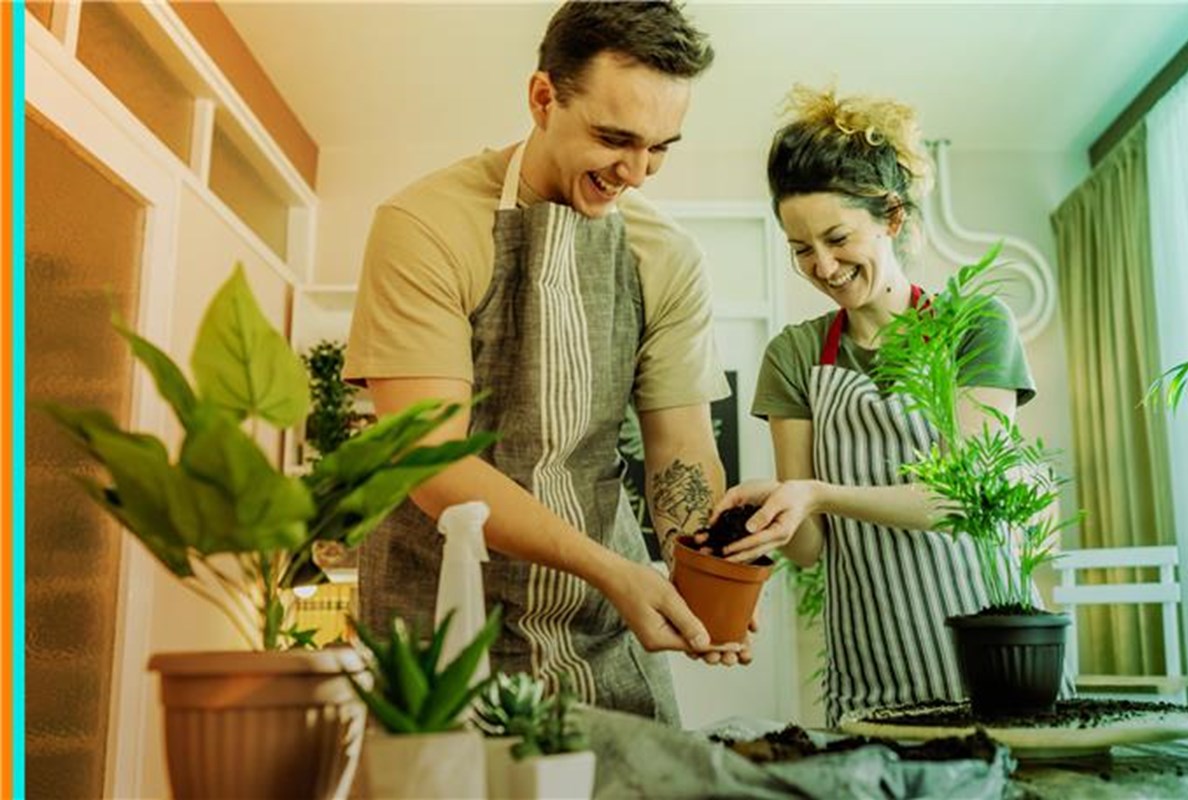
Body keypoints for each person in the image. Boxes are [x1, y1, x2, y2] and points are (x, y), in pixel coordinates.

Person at [343, 1, 741, 726]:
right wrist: (614, 570)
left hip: (600, 631)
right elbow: (430, 461)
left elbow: (681, 451)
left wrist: (707, 573)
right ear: (542, 98)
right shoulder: (427, 226)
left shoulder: (668, 257)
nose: (638, 171)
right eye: (615, 138)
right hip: (437, 625)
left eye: (660, 147)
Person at [710, 86, 1043, 727]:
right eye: (801, 248)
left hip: (994, 659)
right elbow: (809, 548)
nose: (823, 266)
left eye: (838, 238)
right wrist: (773, 509)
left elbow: (962, 501)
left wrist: (817, 493)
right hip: (871, 678)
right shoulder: (795, 355)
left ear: (891, 217)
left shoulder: (975, 325)